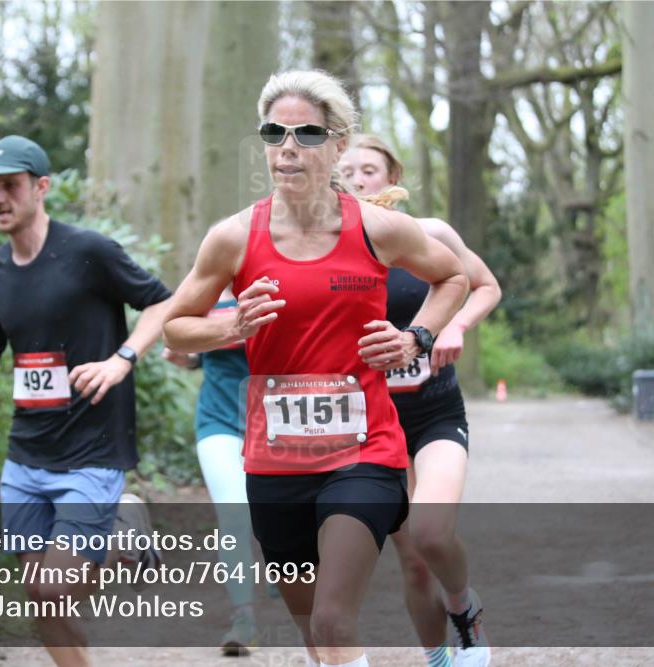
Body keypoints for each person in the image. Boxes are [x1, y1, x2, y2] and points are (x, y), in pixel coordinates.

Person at [163, 70, 469, 667]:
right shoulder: (232, 238)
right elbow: (176, 325)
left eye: (306, 133)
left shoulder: (377, 227)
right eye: (275, 132)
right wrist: (232, 327)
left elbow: (453, 276)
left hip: (364, 453)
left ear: (337, 144)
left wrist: (417, 338)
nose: (288, 146)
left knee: (333, 617)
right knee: (315, 635)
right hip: (275, 461)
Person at [0, 135, 172, 667]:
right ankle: (115, 534)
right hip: (26, 456)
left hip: (93, 449)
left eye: (9, 186)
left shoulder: (89, 252)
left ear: (41, 187)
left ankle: (119, 525)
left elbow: (164, 303)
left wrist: (122, 357)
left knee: (55, 586)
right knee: (42, 597)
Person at [339, 135, 502, 667]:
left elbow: (485, 286)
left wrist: (453, 326)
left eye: (369, 169)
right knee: (410, 561)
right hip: (371, 421)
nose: (358, 178)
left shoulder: (427, 234)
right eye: (348, 170)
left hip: (433, 412)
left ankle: (465, 610)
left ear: (391, 179)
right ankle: (437, 659)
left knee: (433, 533)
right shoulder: (323, 246)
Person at [162, 287, 262, 656]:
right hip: (219, 420)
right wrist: (184, 356)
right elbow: (185, 350)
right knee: (234, 514)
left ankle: (284, 576)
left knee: (282, 515)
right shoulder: (206, 292)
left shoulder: (282, 285)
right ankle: (244, 617)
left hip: (281, 425)